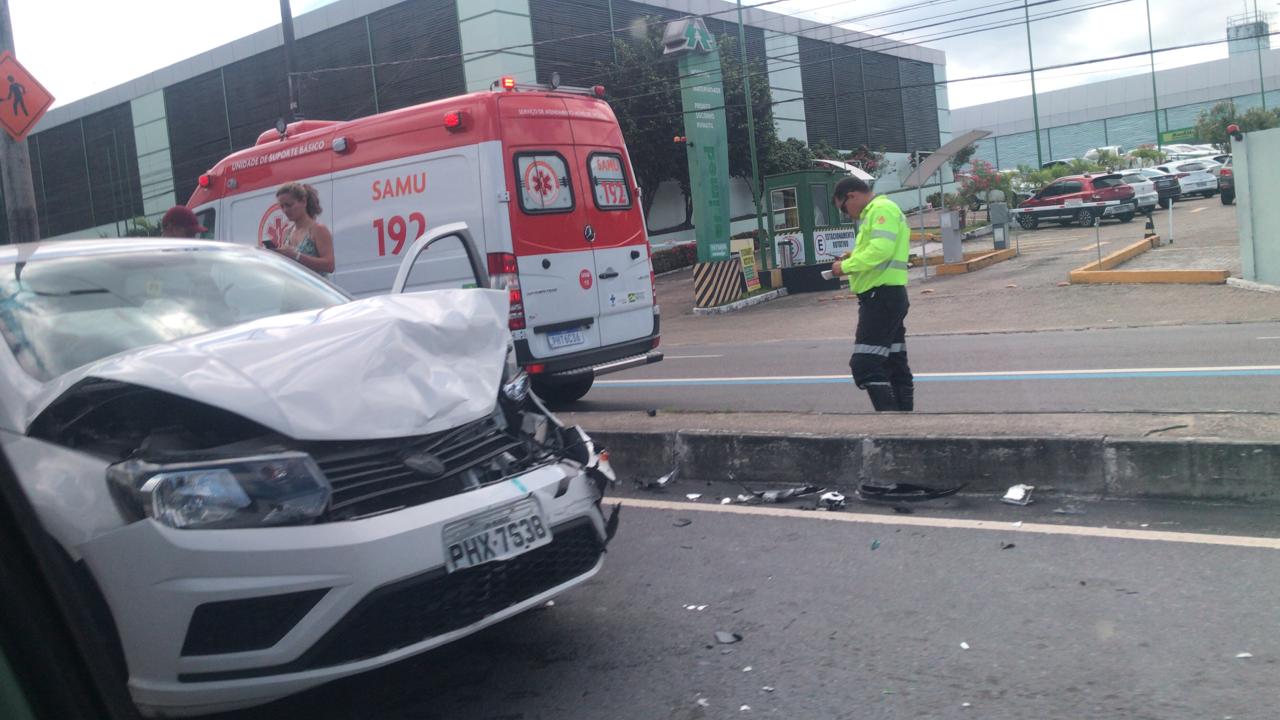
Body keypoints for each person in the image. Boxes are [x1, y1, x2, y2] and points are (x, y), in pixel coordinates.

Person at [829, 176, 914, 412]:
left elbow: (881, 250)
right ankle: (906, 425)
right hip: (889, 296)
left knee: (864, 363)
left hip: (881, 297)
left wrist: (844, 267)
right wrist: (851, 257)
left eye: (844, 208)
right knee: (893, 361)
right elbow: (875, 250)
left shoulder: (881, 209)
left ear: (852, 195)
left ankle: (889, 425)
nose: (847, 214)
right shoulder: (877, 213)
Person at [268, 182, 335, 275]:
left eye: (289, 205)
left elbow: (329, 265)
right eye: (282, 206)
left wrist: (296, 256)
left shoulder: (318, 229)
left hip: (312, 287)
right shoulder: (287, 232)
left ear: (304, 201)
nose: (285, 210)